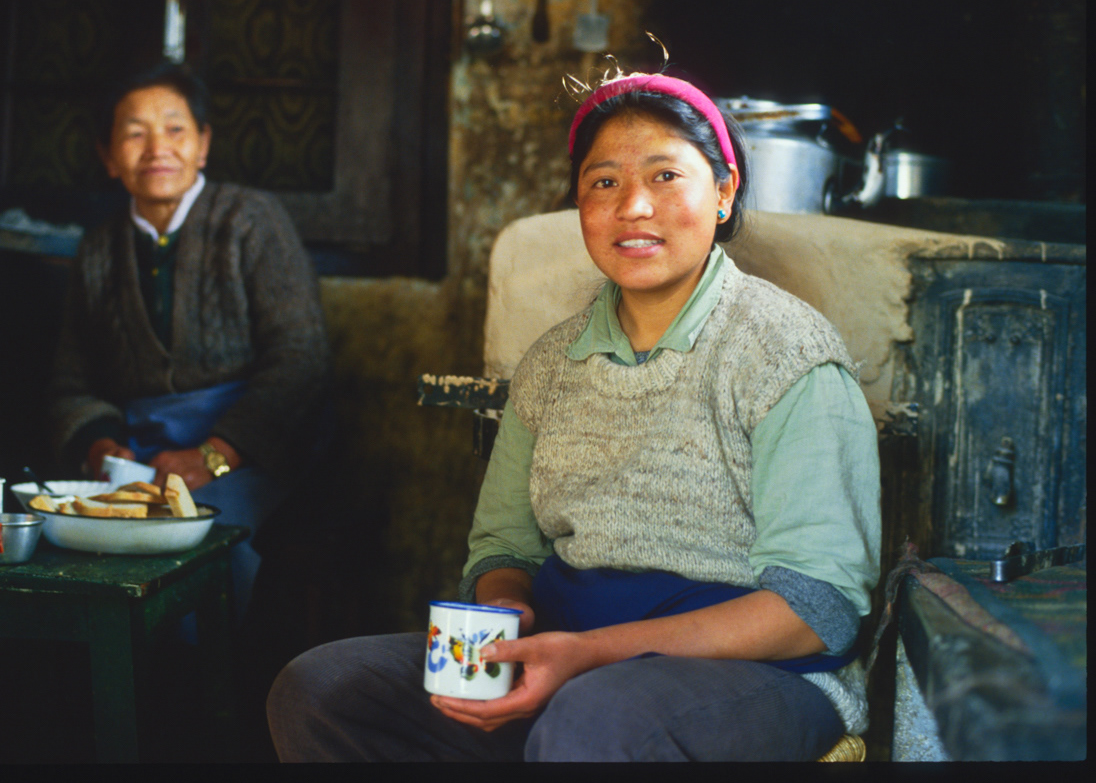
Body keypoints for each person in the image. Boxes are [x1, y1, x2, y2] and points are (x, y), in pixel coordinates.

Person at [266, 70, 881, 761]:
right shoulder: (552, 364)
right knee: (322, 690)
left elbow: (816, 608)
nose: (634, 207)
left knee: (593, 725)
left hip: (757, 672)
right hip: (565, 654)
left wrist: (588, 656)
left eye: (666, 176)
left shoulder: (786, 352)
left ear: (725, 192)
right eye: (604, 182)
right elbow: (502, 549)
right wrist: (505, 608)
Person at [46, 60, 332, 624]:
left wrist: (212, 455)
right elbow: (71, 379)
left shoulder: (251, 220)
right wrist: (101, 444)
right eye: (134, 133)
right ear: (108, 156)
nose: (157, 147)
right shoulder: (99, 247)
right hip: (141, 449)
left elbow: (301, 359)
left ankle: (198, 701)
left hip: (252, 450)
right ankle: (112, 697)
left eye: (175, 129)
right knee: (70, 534)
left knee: (199, 536)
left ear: (203, 145)